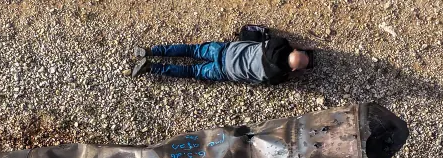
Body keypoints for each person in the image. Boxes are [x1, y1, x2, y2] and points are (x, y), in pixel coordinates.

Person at [131, 37, 310, 85]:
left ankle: (150, 51)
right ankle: (151, 67)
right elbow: (265, 81)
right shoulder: (278, 75)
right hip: (224, 71)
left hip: (224, 50)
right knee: (191, 71)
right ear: (294, 70)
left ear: (294, 50)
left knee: (191, 50)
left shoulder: (278, 43)